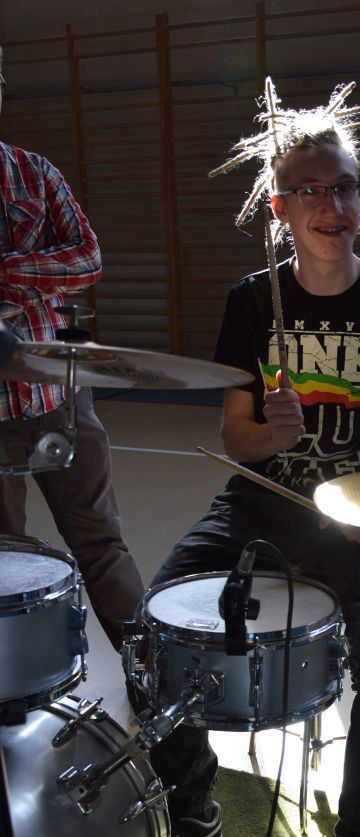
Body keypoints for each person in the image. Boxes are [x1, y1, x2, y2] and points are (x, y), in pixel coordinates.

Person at [141, 81, 360, 837]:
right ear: (279, 210)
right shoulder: (253, 301)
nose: (332, 205)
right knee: (153, 629)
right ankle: (192, 809)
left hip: (357, 517)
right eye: (311, 190)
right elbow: (235, 439)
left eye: (345, 187)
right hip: (258, 505)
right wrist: (267, 434)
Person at [0, 48, 144, 651]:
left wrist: (9, 272)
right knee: (5, 566)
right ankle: (18, 693)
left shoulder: (35, 173)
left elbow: (88, 258)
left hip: (57, 397)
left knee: (101, 546)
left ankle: (149, 681)